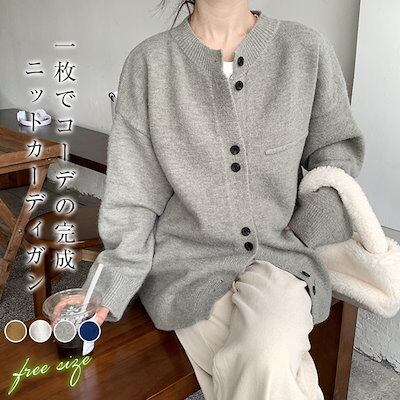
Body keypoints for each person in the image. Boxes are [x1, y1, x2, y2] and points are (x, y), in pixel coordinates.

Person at [81, 1, 365, 398]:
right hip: (185, 267)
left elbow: (336, 153)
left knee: (267, 355)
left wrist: (310, 226)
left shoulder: (305, 50)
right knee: (269, 367)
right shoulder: (150, 64)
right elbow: (134, 193)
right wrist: (109, 285)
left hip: (279, 259)